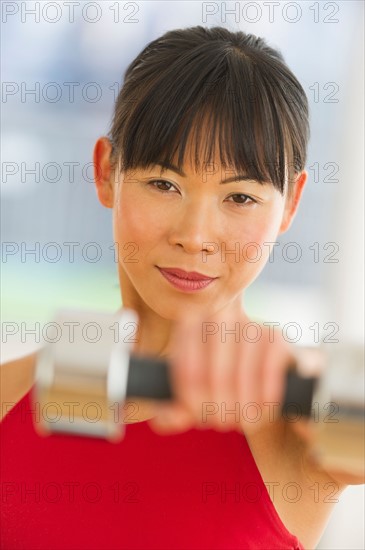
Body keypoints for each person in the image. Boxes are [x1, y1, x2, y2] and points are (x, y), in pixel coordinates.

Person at [1, 26, 363, 550]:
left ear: (290, 204)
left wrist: (302, 379)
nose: (194, 237)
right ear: (106, 171)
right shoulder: (16, 395)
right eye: (164, 184)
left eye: (239, 197)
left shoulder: (296, 430)